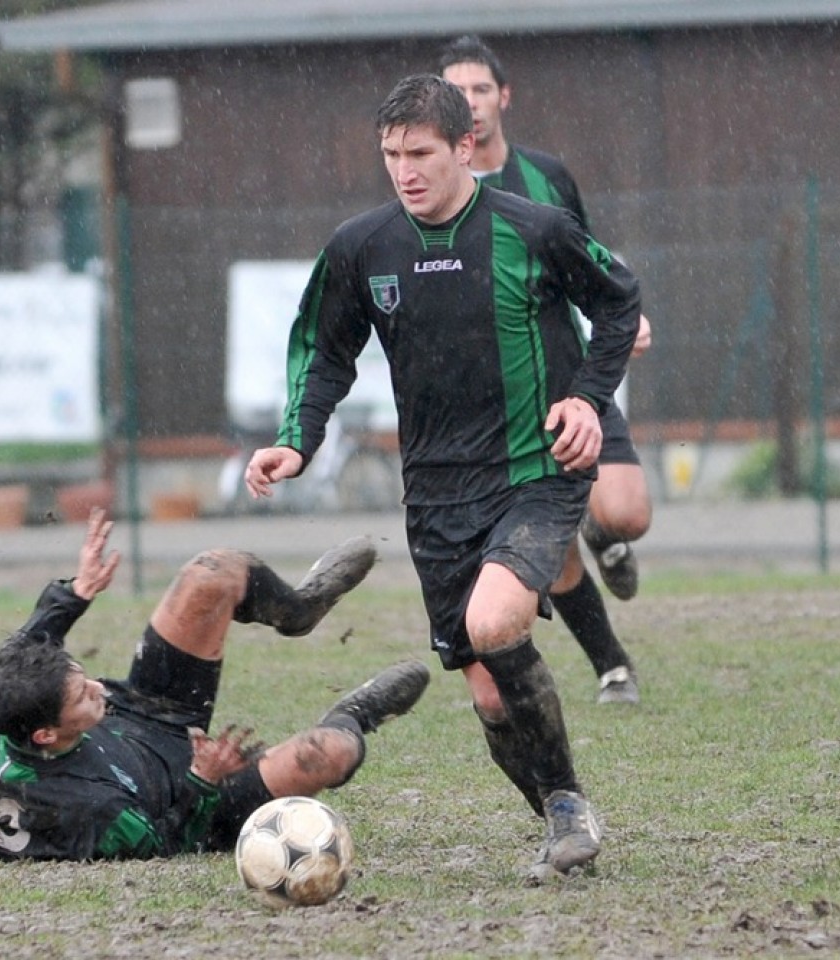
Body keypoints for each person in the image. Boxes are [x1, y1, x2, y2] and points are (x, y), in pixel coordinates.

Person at [245, 75, 640, 881]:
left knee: (497, 625)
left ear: (465, 147)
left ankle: (566, 806)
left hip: (537, 470)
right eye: (390, 155)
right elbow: (325, 351)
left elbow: (620, 304)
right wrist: (297, 440)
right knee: (492, 697)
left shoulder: (534, 229)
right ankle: (565, 816)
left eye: (420, 152)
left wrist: (589, 401)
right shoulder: (363, 247)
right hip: (435, 494)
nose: (404, 170)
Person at [0, 508, 430, 862]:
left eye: (84, 677)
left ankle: (299, 610)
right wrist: (202, 780)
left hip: (148, 712)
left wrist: (77, 591)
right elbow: (163, 842)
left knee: (211, 571)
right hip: (194, 798)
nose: (98, 687)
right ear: (45, 735)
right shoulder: (84, 810)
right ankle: (356, 713)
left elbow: (27, 644)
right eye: (83, 696)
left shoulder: (9, 706)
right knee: (329, 752)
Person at [439, 35, 654, 705]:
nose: (469, 104)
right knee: (549, 550)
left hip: (572, 379)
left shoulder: (546, 177)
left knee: (627, 515)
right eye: (456, 94)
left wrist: (620, 317)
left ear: (503, 97)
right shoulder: (436, 195)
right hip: (506, 405)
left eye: (479, 89)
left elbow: (587, 259)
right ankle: (612, 664)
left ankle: (603, 533)